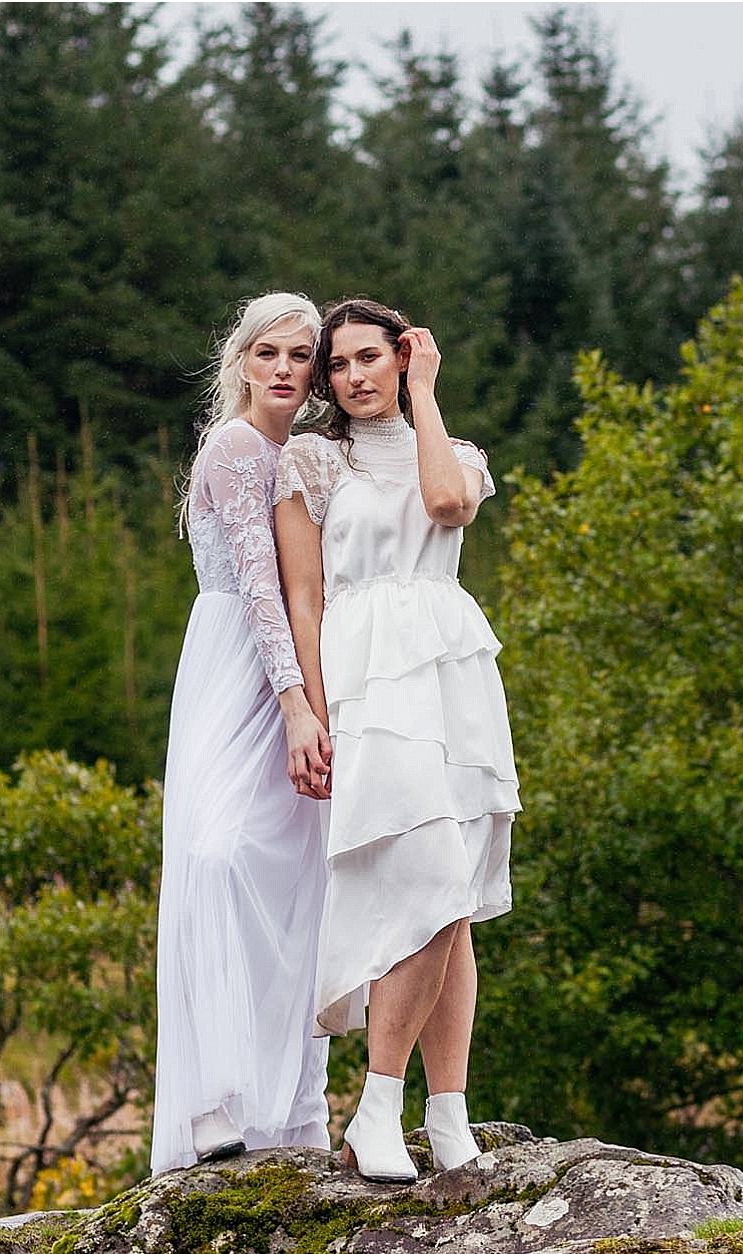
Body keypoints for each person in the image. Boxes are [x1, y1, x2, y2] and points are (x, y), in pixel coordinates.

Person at [274, 298, 519, 1183]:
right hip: (368, 678)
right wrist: (311, 711)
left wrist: (426, 394)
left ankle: (448, 1115)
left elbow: (447, 506)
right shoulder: (312, 459)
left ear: (403, 358)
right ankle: (377, 1107)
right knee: (430, 876)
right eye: (338, 366)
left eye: (369, 358)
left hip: (452, 676)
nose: (353, 378)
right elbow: (305, 600)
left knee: (458, 899)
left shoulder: (455, 454)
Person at [149, 292, 337, 1175]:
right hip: (236, 669)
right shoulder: (232, 447)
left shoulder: (306, 456)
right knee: (216, 857)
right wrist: (296, 704)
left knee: (298, 877)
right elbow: (261, 584)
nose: (285, 370)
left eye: (301, 356)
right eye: (269, 353)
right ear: (242, 363)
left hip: (301, 667)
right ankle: (210, 1099)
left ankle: (295, 1108)